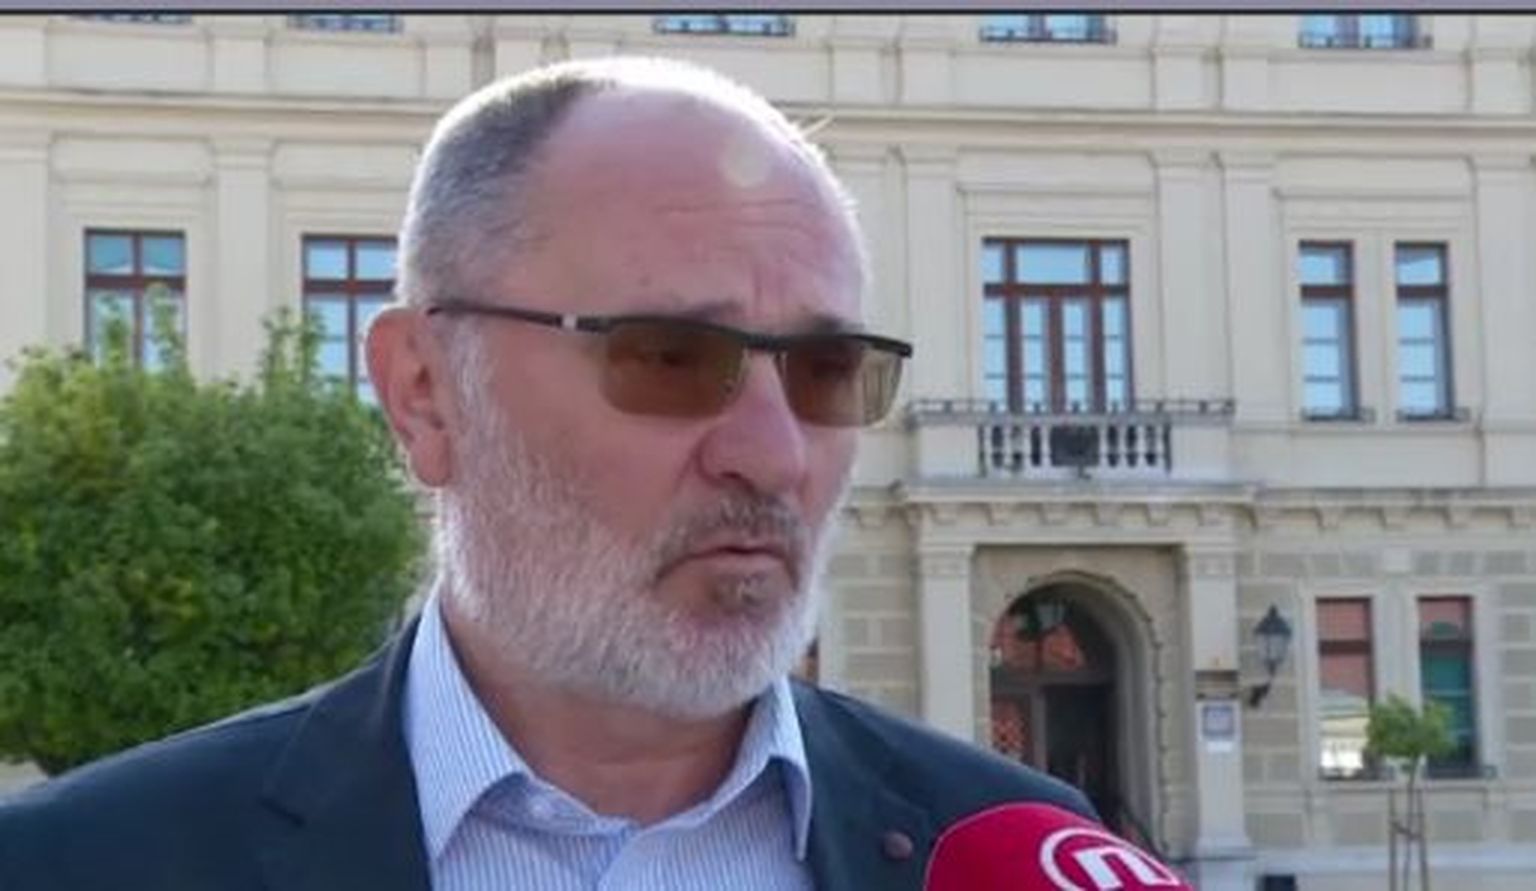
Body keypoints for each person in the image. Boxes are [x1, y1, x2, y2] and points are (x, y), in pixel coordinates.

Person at [0, 57, 1092, 890]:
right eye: (669, 356)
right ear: (426, 392)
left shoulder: (1022, 854)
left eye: (826, 368)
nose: (773, 453)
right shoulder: (79, 864)